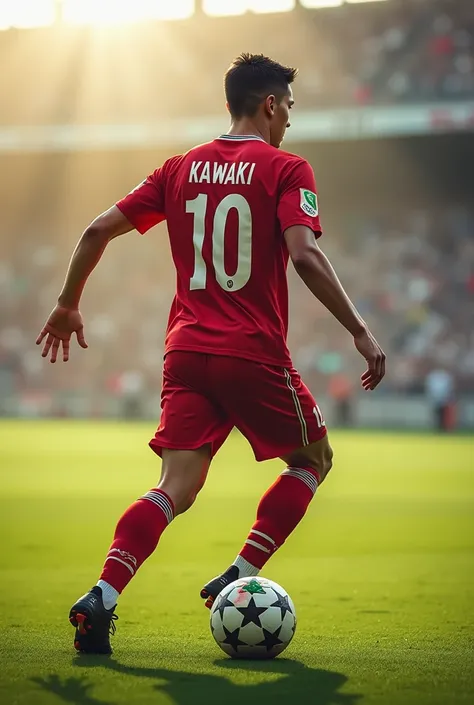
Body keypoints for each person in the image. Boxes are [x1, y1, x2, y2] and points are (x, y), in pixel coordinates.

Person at [36, 54, 385, 655]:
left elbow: (96, 230)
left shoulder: (178, 169)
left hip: (186, 350)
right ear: (270, 105)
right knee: (313, 460)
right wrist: (359, 329)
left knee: (174, 486)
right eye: (289, 111)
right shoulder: (287, 167)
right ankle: (242, 572)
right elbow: (303, 255)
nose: (289, 125)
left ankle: (103, 595)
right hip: (251, 351)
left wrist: (68, 302)